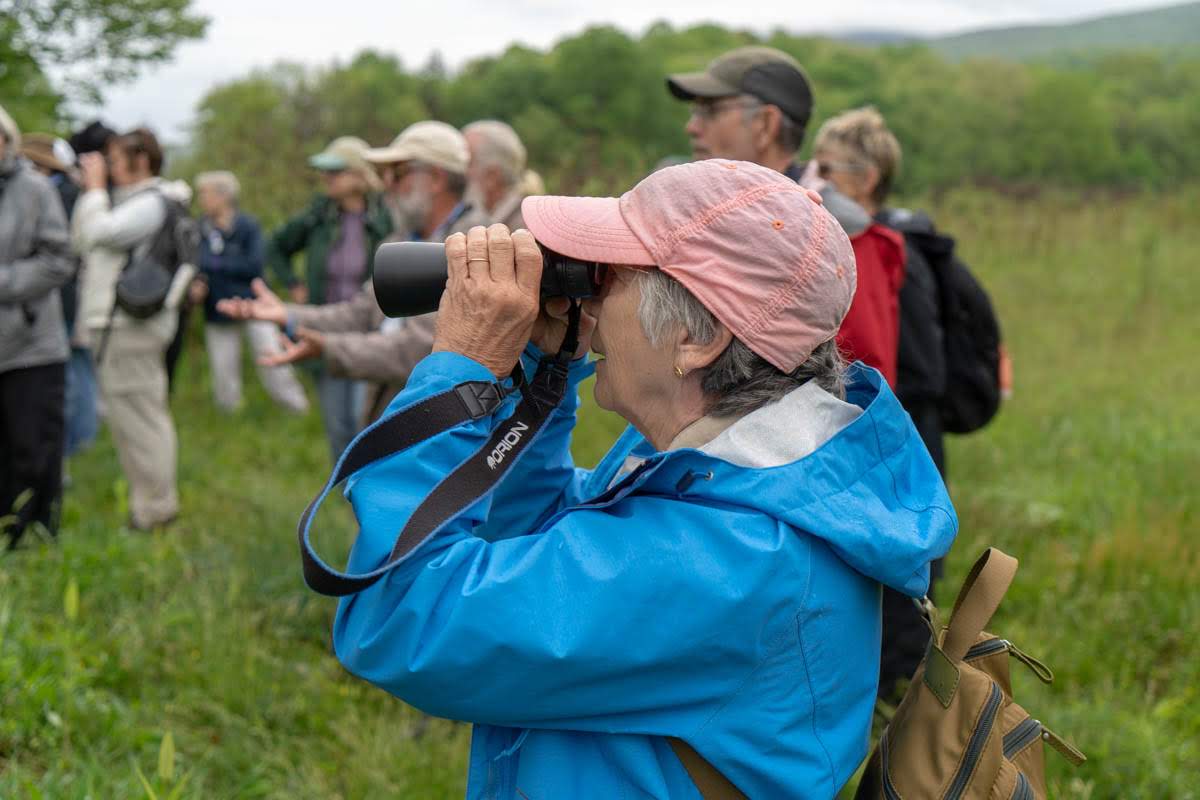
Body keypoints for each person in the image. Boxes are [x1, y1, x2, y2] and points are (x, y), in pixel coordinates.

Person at [326, 160, 956, 797]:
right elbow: (543, 542)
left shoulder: (734, 559)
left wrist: (460, 374)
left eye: (610, 278)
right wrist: (537, 376)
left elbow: (399, 613)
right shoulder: (747, 474)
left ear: (698, 337)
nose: (587, 302)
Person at [666, 46, 906, 387]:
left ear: (765, 124)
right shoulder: (705, 218)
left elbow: (864, 382)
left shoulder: (843, 232)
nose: (692, 127)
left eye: (710, 110)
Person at [223, 121, 484, 424]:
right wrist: (288, 314)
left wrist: (329, 350)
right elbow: (361, 311)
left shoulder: (474, 247)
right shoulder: (400, 241)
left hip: (441, 425)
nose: (387, 184)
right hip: (392, 406)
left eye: (397, 173)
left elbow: (419, 349)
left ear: (436, 178)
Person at [72, 127, 195, 530]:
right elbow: (83, 241)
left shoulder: (152, 203)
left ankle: (157, 511)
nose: (107, 167)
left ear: (140, 161)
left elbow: (98, 232)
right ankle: (150, 504)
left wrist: (92, 190)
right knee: (133, 420)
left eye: (114, 158)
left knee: (142, 421)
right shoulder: (139, 202)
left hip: (131, 329)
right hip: (123, 328)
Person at [265, 136, 392, 460]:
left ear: (360, 176)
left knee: (365, 416)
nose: (327, 179)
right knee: (337, 420)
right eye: (326, 172)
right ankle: (344, 486)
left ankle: (370, 483)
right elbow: (276, 246)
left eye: (336, 172)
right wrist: (293, 283)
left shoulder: (385, 218)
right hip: (325, 327)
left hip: (370, 331)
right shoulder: (318, 216)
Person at [0, 106, 74, 548]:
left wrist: (4, 281)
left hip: (31, 346)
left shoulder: (34, 189)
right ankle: (5, 533)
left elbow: (60, 259)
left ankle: (37, 537)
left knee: (33, 445)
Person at [189, 171, 308, 414]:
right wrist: (218, 266)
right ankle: (228, 415)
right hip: (217, 308)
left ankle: (296, 407)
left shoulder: (248, 226)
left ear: (224, 196)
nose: (201, 199)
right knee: (223, 367)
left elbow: (253, 265)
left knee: (271, 357)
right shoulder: (200, 228)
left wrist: (214, 264)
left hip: (255, 307)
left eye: (205, 193)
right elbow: (197, 262)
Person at [20, 132, 98, 458]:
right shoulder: (72, 193)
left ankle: (65, 446)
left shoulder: (54, 197)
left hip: (62, 297)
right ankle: (84, 439)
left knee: (63, 374)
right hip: (78, 293)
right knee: (80, 367)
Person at [462, 120, 527, 229]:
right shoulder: (472, 219)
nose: (459, 171)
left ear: (492, 176)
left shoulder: (524, 228)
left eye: (467, 163)